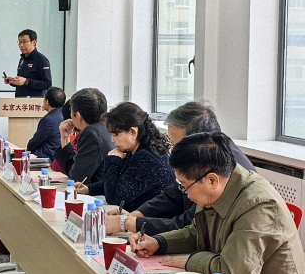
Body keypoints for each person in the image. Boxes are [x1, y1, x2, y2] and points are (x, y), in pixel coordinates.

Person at [131, 132, 305, 274]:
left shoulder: (258, 205)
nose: (185, 193)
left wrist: (190, 260)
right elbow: (198, 232)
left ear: (212, 180)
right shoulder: (217, 189)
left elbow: (232, 273)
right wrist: (159, 243)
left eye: (184, 186)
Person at [106, 101, 254, 235]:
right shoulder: (205, 154)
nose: (172, 150)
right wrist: (138, 214)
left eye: (177, 145)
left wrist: (129, 223)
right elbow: (175, 193)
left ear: (198, 141)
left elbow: (190, 223)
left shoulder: (223, 166)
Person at [74, 102, 175, 212]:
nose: (112, 139)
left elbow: (114, 198)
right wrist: (89, 188)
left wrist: (112, 160)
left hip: (149, 220)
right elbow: (121, 181)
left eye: (116, 134)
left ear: (133, 132)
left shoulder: (148, 158)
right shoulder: (139, 149)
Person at [53, 88, 113, 184]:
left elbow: (77, 176)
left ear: (78, 115)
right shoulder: (107, 128)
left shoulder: (91, 133)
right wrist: (65, 138)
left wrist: (64, 138)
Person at [3, 29, 52, 97]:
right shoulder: (22, 59)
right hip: (20, 99)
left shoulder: (41, 60)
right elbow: (23, 82)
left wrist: (26, 81)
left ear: (34, 42)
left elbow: (47, 84)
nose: (21, 45)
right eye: (19, 42)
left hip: (34, 100)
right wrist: (13, 81)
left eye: (24, 42)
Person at [26, 87, 65, 161]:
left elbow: (36, 141)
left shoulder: (48, 120)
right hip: (60, 157)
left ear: (47, 101)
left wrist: (28, 151)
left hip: (47, 159)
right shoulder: (64, 115)